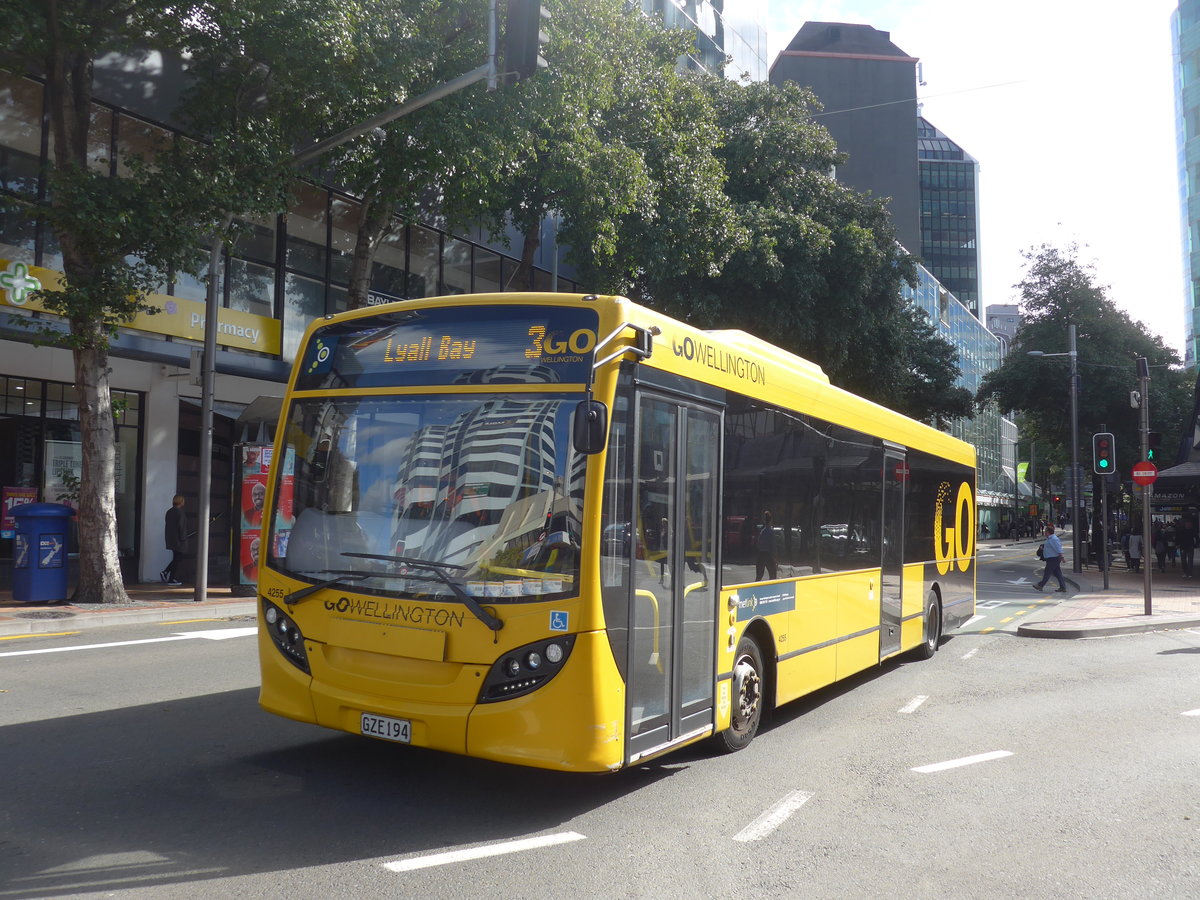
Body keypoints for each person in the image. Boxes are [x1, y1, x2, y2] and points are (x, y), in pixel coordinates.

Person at [161, 494, 189, 586]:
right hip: (179, 540)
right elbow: (181, 527)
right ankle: (166, 572)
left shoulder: (169, 512)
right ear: (181, 502)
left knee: (176, 558)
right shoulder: (180, 513)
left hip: (171, 539)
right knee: (178, 558)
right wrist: (183, 538)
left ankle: (171, 578)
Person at [1034, 523, 1067, 593]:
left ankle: (1040, 585)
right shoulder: (1050, 539)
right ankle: (1063, 587)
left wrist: (1062, 557)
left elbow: (1058, 548)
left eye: (1045, 531)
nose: (1044, 533)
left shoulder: (1054, 539)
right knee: (1058, 573)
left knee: (1047, 572)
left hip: (1053, 559)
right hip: (1051, 558)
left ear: (1048, 532)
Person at [755, 510, 778, 581]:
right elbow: (773, 546)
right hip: (769, 555)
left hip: (761, 554)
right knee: (773, 575)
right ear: (771, 521)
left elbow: (758, 544)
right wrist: (775, 558)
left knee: (759, 576)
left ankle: (756, 587)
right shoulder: (771, 532)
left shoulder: (762, 532)